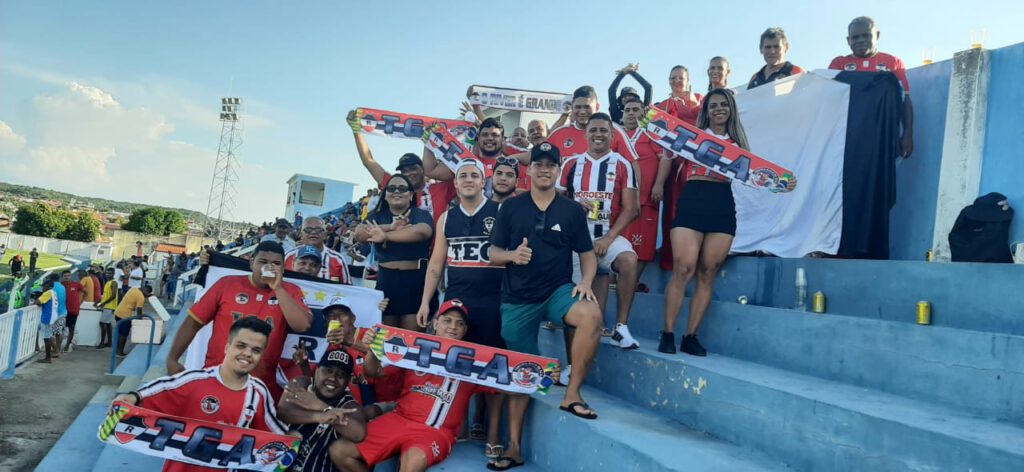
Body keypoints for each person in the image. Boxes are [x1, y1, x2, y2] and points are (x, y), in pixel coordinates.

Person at [488, 142, 604, 468]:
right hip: (518, 300)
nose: (543, 168)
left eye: (550, 164)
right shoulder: (511, 208)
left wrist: (584, 283)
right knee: (521, 371)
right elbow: (493, 253)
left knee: (590, 313)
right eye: (538, 163)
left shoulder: (571, 210)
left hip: (557, 292)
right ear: (530, 168)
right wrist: (513, 255)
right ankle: (513, 448)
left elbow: (587, 254)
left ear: (558, 168)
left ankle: (572, 395)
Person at [331, 301, 505, 472]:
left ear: (465, 330)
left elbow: (506, 387)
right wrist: (373, 350)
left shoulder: (474, 362)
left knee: (413, 461)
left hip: (435, 431)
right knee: (339, 451)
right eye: (447, 320)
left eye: (460, 324)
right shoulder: (415, 348)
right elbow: (373, 372)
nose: (453, 327)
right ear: (435, 323)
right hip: (399, 418)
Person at [111, 317, 288, 472]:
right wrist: (133, 397)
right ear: (227, 347)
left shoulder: (258, 393)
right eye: (241, 346)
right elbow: (157, 390)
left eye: (256, 350)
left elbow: (276, 437)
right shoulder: (194, 380)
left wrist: (293, 440)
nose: (247, 354)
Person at [417, 158, 507, 459]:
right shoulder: (445, 218)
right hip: (457, 303)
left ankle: (493, 433)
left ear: (484, 182)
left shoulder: (500, 212)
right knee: (455, 366)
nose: (468, 180)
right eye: (462, 175)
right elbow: (436, 265)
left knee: (495, 368)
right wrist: (426, 301)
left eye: (474, 175)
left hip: (493, 302)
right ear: (455, 183)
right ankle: (461, 423)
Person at [660, 89, 750, 356]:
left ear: (731, 109)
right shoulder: (692, 136)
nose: (719, 109)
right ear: (706, 110)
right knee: (683, 268)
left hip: (722, 203)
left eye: (724, 105)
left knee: (708, 272)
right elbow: (666, 149)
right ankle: (667, 333)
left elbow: (755, 175)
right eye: (713, 105)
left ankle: (690, 336)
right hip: (694, 197)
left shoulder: (739, 143)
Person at [165, 241, 312, 400]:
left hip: (259, 386)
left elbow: (303, 326)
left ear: (283, 268)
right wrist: (172, 358)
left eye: (276, 264)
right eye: (262, 262)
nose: (269, 267)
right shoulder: (227, 283)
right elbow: (193, 322)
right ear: (251, 262)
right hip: (216, 377)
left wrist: (277, 288)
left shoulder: (290, 291)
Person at [559, 112, 641, 350]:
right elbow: (554, 196)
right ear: (586, 133)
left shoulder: (622, 164)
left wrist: (609, 237)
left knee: (628, 259)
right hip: (575, 242)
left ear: (612, 135)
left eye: (603, 130)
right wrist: (574, 204)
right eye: (593, 130)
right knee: (575, 305)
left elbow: (631, 208)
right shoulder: (572, 163)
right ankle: (572, 363)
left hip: (606, 237)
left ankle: (621, 327)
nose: (598, 134)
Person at [354, 174, 435, 331]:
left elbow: (422, 232)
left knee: (410, 338)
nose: (396, 191)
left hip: (415, 280)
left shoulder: (420, 214)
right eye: (391, 188)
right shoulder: (376, 215)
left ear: (411, 195)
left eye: (402, 188)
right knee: (385, 337)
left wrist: (385, 236)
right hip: (386, 280)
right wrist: (389, 227)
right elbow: (359, 234)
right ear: (385, 194)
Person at [348, 110, 457, 223]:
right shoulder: (396, 189)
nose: (409, 173)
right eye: (404, 171)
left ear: (423, 169)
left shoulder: (441, 189)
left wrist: (474, 126)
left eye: (413, 168)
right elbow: (368, 161)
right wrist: (357, 130)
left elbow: (464, 168)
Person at [829, 16, 914, 157]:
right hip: (849, 137)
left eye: (866, 35)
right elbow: (830, 101)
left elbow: (905, 100)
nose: (861, 40)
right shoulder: (838, 64)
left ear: (877, 35)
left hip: (883, 136)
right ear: (848, 40)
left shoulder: (893, 62)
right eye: (855, 37)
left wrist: (908, 134)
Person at [277, 346, 368, 472]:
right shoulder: (302, 383)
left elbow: (358, 434)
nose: (333, 378)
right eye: (328, 370)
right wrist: (319, 416)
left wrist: (321, 407)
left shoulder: (349, 404)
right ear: (317, 370)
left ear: (347, 381)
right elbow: (283, 411)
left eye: (340, 375)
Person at [655, 65, 704, 273]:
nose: (677, 81)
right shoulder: (663, 106)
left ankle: (698, 256)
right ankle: (673, 259)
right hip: (674, 166)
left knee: (698, 211)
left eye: (680, 78)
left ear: (688, 79)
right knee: (674, 212)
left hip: (699, 167)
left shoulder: (701, 101)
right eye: (673, 78)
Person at [619, 96, 666, 292]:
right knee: (620, 244)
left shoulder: (650, 134)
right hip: (621, 202)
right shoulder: (618, 135)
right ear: (622, 115)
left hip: (646, 199)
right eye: (627, 110)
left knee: (643, 246)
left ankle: (632, 283)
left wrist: (659, 184)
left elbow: (665, 158)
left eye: (635, 109)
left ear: (643, 113)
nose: (631, 113)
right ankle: (621, 282)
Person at [422, 117, 530, 196]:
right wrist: (429, 142)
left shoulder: (515, 165)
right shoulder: (465, 162)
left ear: (503, 140)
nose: (489, 138)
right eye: (485, 135)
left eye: (495, 135)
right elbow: (431, 170)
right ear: (478, 138)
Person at [546, 86, 636, 163]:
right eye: (578, 107)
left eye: (587, 107)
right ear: (572, 108)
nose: (582, 112)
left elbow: (633, 164)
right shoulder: (558, 134)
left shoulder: (614, 131)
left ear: (597, 107)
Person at [285, 216, 351, 283]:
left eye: (318, 229)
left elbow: (348, 289)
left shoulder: (338, 260)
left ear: (325, 235)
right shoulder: (289, 256)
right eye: (308, 230)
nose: (313, 232)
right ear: (301, 235)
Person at [112, 284, 152, 357]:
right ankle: (119, 352)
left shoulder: (133, 289)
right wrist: (141, 320)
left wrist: (146, 295)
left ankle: (116, 350)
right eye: (147, 293)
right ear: (146, 291)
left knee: (120, 333)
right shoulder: (141, 297)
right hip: (125, 316)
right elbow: (139, 311)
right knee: (123, 335)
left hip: (118, 312)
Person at [34, 280, 60, 363]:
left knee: (46, 338)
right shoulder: (53, 292)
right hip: (53, 315)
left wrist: (37, 299)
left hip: (48, 317)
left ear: (48, 286)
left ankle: (48, 358)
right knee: (48, 336)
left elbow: (38, 302)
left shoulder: (47, 293)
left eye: (43, 286)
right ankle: (49, 355)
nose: (42, 288)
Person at [94, 267, 119, 348]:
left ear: (113, 274)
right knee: (108, 324)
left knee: (103, 323)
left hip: (109, 306)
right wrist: (98, 302)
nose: (108, 275)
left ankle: (102, 343)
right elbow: (105, 295)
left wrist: (103, 303)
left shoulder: (113, 283)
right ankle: (109, 342)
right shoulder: (108, 282)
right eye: (107, 273)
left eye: (110, 273)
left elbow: (113, 296)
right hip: (107, 305)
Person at [60, 271, 84, 352]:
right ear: (62, 277)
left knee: (71, 328)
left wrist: (80, 302)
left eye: (68, 275)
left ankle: (67, 345)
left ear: (71, 276)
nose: (67, 277)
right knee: (60, 328)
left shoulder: (77, 285)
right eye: (65, 276)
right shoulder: (61, 285)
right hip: (63, 310)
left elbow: (85, 292)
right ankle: (58, 345)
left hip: (73, 311)